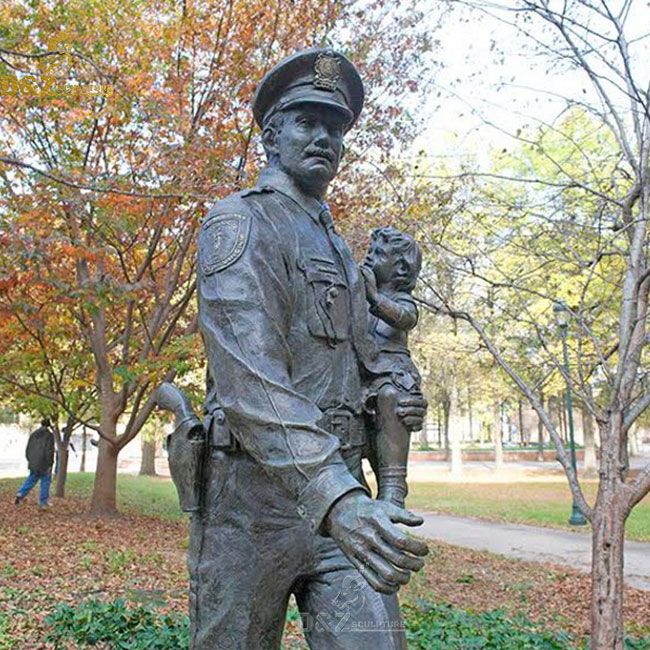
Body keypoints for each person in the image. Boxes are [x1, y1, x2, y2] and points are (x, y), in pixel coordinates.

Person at [192, 48, 428, 649]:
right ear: (271, 137)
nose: (324, 137)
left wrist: (391, 396)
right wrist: (339, 499)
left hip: (343, 494)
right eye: (307, 122)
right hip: (252, 506)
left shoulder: (343, 250)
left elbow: (362, 359)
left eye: (335, 127)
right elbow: (251, 382)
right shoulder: (240, 225)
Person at [360, 227, 423, 508]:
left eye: (378, 254)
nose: (369, 257)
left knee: (390, 398)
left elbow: (406, 319)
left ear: (399, 268)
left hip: (391, 371)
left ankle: (394, 484)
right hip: (361, 371)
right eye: (369, 251)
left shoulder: (400, 298)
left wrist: (374, 298)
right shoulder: (358, 297)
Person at [15, 418, 54, 509]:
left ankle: (21, 493)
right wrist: (50, 463)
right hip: (44, 463)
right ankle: (43, 502)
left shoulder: (33, 434)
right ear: (48, 425)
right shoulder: (49, 435)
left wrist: (30, 460)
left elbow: (28, 449)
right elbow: (49, 451)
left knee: (32, 478)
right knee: (45, 482)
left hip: (33, 462)